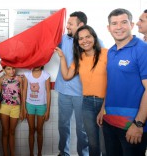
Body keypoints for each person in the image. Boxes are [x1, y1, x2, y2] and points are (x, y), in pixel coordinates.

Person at [97, 8, 147, 155]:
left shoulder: (142, 50)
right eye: (114, 23)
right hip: (109, 122)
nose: (119, 27)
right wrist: (103, 109)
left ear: (131, 25)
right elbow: (112, 84)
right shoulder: (111, 51)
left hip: (132, 125)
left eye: (124, 22)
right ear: (108, 28)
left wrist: (138, 124)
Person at [55, 25, 107, 156]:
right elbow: (66, 76)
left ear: (94, 37)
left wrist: (104, 108)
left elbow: (113, 83)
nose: (85, 41)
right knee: (93, 142)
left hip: (104, 103)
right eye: (81, 39)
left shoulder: (107, 54)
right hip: (87, 103)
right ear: (77, 42)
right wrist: (62, 57)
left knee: (105, 144)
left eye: (88, 37)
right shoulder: (79, 58)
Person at [54, 11, 89, 156]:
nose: (67, 26)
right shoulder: (63, 39)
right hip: (63, 90)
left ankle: (84, 154)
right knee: (63, 125)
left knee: (82, 129)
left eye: (70, 24)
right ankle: (64, 153)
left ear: (81, 25)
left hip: (81, 93)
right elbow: (44, 43)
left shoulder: (92, 41)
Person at [22, 66, 51, 156]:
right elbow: (24, 90)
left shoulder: (46, 75)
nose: (37, 65)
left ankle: (39, 153)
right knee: (31, 130)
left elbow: (48, 92)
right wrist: (23, 108)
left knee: (39, 130)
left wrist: (48, 110)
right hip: (29, 105)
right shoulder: (27, 75)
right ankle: (31, 153)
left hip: (42, 106)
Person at [0, 65, 23, 156]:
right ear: (4, 70)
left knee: (12, 132)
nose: (12, 71)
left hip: (16, 108)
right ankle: (5, 154)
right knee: (5, 132)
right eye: (8, 69)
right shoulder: (1, 80)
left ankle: (12, 154)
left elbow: (22, 95)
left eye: (13, 68)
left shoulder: (19, 79)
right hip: (4, 107)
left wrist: (22, 110)